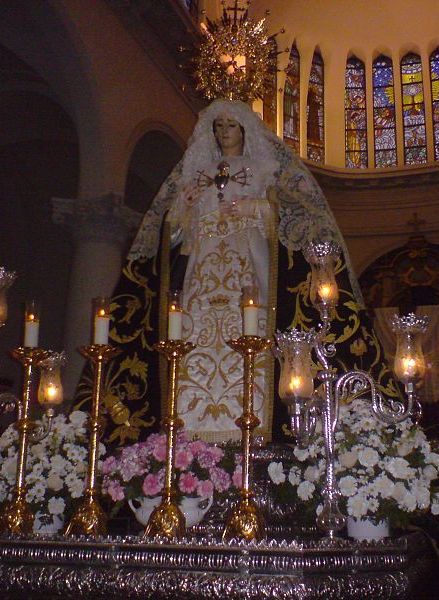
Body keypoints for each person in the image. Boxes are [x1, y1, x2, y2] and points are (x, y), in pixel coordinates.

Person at [76, 99, 397, 447]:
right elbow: (173, 232)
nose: (224, 132)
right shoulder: (197, 171)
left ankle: (251, 425)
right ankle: (189, 429)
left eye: (230, 125)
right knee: (191, 334)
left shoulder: (263, 168)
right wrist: (183, 207)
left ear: (244, 130)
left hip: (245, 262)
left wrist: (253, 206)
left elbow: (284, 217)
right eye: (218, 126)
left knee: (251, 330)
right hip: (203, 266)